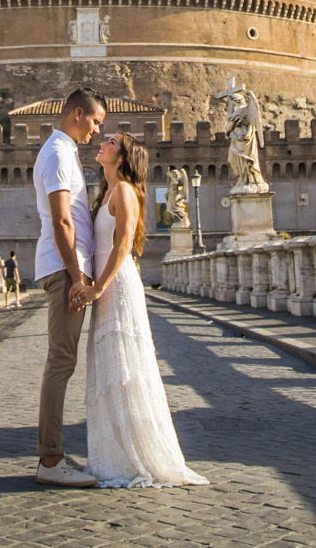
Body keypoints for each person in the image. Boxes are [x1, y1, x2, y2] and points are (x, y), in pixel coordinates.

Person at [71, 132, 208, 489]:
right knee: (110, 366)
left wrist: (97, 287)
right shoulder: (107, 193)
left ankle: (135, 457)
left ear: (124, 156)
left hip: (116, 286)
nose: (103, 142)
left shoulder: (126, 191)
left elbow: (123, 245)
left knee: (126, 366)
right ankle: (113, 454)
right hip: (107, 285)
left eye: (112, 142)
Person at [32, 87, 106, 487]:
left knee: (63, 360)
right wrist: (77, 276)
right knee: (61, 362)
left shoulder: (63, 152)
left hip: (66, 267)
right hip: (65, 270)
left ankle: (53, 454)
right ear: (78, 114)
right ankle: (51, 458)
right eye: (95, 122)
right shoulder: (59, 154)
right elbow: (62, 221)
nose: (96, 131)